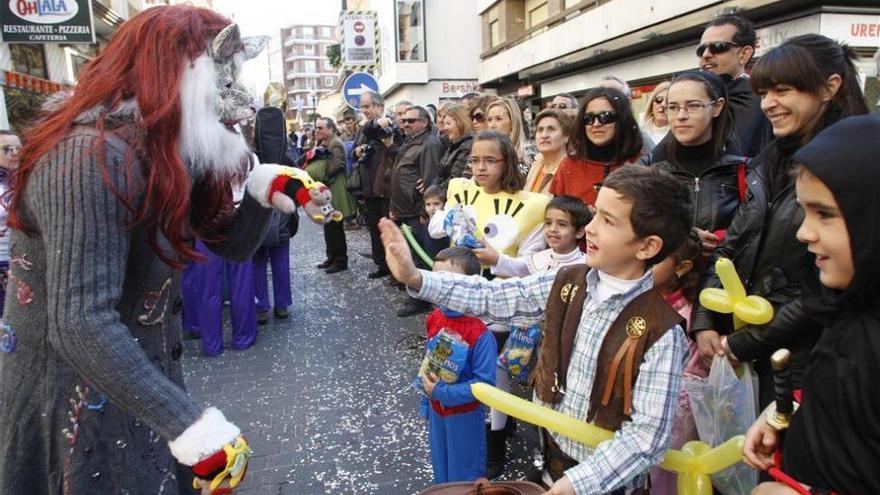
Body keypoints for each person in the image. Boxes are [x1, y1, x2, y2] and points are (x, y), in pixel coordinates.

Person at [0, 6, 340, 493]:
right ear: (175, 72)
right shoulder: (88, 157)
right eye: (222, 79)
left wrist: (265, 187)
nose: (236, 100)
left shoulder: (160, 147)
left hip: (136, 385)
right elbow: (80, 322)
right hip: (72, 401)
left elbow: (232, 245)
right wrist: (189, 425)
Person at [380, 164, 694, 495]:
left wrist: (576, 484)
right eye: (595, 214)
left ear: (647, 247)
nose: (591, 228)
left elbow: (647, 437)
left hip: (603, 486)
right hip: (548, 462)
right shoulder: (567, 280)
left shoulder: (663, 333)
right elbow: (495, 297)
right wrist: (417, 278)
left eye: (608, 221)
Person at [692, 35, 869, 408]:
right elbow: (734, 243)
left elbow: (827, 291)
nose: (769, 104)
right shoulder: (765, 161)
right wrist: (705, 316)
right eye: (764, 92)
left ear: (829, 87)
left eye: (783, 90)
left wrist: (744, 343)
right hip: (752, 353)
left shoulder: (857, 167)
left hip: (812, 360)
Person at [742, 114, 880, 495]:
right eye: (805, 211)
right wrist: (786, 412)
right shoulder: (851, 306)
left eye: (827, 215)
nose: (804, 232)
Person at [428, 130, 549, 477]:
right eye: (474, 160)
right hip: (456, 298)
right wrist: (449, 217)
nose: (479, 168)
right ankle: (490, 426)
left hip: (500, 303)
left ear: (506, 161)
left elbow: (530, 263)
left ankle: (496, 440)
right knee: (459, 364)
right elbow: (437, 229)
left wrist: (497, 260)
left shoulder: (531, 206)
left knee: (493, 372)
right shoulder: (462, 192)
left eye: (489, 160)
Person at [642, 70, 747, 256]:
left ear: (717, 107)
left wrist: (723, 239)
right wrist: (686, 236)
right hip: (665, 279)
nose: (681, 116)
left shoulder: (743, 170)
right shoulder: (648, 169)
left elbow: (754, 230)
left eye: (693, 106)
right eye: (672, 107)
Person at [419, 247, 497, 484]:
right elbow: (429, 361)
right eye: (436, 279)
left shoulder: (481, 334)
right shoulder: (435, 317)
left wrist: (442, 392)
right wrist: (426, 400)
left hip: (464, 416)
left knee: (464, 475)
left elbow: (484, 386)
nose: (441, 288)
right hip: (437, 412)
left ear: (472, 284)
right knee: (441, 470)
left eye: (448, 281)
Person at [647, 231, 705, 495]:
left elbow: (692, 376)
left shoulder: (687, 315)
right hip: (632, 407)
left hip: (669, 415)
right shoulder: (640, 298)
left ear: (682, 268)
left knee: (663, 476)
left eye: (657, 260)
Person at [389, 105, 442, 317]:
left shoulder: (429, 143)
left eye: (411, 120)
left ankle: (419, 299)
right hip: (404, 208)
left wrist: (424, 210)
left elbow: (430, 178)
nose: (406, 124)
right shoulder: (410, 141)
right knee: (411, 253)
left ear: (424, 122)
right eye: (404, 120)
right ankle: (415, 295)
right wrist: (394, 205)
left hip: (416, 210)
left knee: (420, 256)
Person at [550, 87, 644, 206]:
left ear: (622, 119)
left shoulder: (641, 165)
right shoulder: (569, 165)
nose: (596, 124)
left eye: (605, 116)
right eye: (588, 118)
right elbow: (557, 217)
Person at [698, 14, 773, 157]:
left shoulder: (762, 98)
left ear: (744, 54)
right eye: (701, 50)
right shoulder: (693, 97)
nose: (706, 55)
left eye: (718, 47)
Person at [490, 195, 589, 278]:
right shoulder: (540, 258)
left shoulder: (585, 265)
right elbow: (516, 266)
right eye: (548, 223)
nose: (552, 229)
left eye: (562, 224)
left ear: (579, 232)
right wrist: (492, 257)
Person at [354, 90, 396, 280]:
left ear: (379, 106)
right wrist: (357, 151)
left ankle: (395, 267)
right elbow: (353, 151)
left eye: (367, 106)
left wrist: (376, 125)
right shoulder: (364, 128)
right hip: (369, 187)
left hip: (387, 188)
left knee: (390, 230)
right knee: (374, 229)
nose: (364, 110)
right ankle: (381, 264)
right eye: (362, 106)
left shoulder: (390, 124)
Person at [313, 117, 351, 274]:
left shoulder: (335, 143)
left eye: (321, 128)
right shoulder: (324, 143)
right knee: (328, 225)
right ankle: (332, 257)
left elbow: (333, 167)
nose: (317, 131)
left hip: (335, 189)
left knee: (335, 225)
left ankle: (340, 260)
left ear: (331, 129)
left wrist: (319, 176)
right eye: (316, 127)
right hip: (327, 188)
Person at [598, 76, 656, 153]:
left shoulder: (640, 142)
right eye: (599, 94)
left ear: (627, 102)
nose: (603, 100)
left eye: (611, 95)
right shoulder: (585, 138)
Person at [524, 108, 573, 195]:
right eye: (540, 130)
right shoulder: (536, 163)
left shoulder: (571, 170)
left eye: (551, 129)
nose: (544, 135)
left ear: (566, 136)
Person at [487, 97, 536, 177]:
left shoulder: (527, 153)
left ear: (512, 123)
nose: (492, 125)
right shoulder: (483, 152)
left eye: (498, 119)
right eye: (489, 120)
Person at [0, 130, 21, 317]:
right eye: (7, 149)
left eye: (18, 148)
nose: (15, 153)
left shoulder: (26, 180)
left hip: (24, 262)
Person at [437, 104, 474, 189]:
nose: (445, 128)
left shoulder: (468, 146)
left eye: (448, 124)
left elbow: (455, 178)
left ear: (460, 123)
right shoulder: (454, 145)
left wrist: (437, 191)